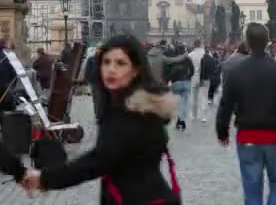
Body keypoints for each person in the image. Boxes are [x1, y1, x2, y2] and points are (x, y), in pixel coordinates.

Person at [22, 35, 181, 204]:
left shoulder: (132, 112)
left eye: (120, 63)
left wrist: (45, 178)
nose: (111, 69)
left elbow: (98, 161)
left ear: (136, 70)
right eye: (106, 62)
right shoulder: (133, 104)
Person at [216, 23, 276, 205]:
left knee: (251, 188)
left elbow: (225, 105)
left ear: (247, 42)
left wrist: (222, 131)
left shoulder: (236, 72)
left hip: (248, 135)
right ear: (268, 42)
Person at [168, 45, 194, 131]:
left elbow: (169, 71)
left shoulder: (173, 59)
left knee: (178, 103)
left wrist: (171, 79)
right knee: (185, 103)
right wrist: (189, 77)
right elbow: (192, 70)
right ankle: (182, 121)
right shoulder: (188, 59)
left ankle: (179, 120)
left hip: (176, 82)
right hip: (186, 82)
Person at [188, 40, 206, 122]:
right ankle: (202, 116)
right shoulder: (205, 54)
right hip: (202, 77)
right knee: (202, 97)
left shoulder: (190, 55)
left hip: (192, 77)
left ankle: (193, 115)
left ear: (194, 45)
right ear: (200, 44)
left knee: (193, 96)